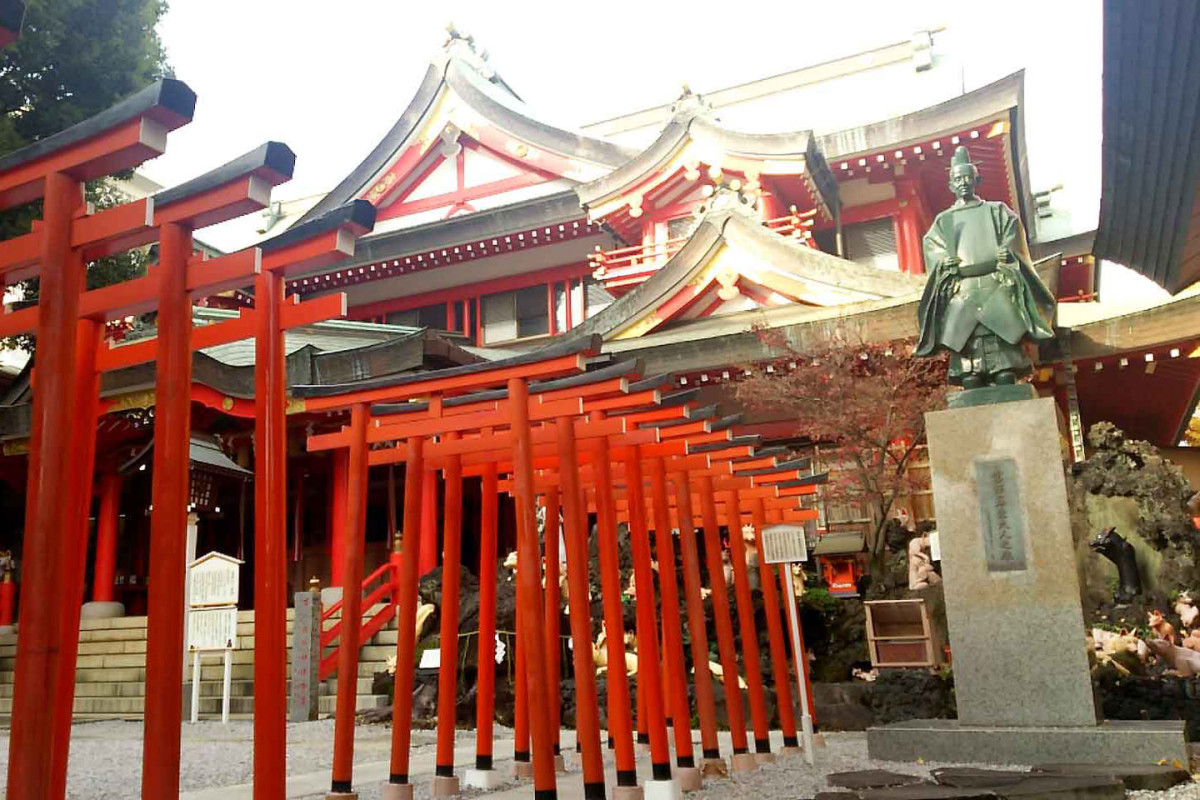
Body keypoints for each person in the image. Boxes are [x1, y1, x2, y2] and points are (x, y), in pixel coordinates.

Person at [915, 146, 1056, 389]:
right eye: (957, 179)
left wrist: (1007, 253)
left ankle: (1004, 372)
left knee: (1004, 368)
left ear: (977, 179)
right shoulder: (943, 221)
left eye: (967, 177)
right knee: (969, 368)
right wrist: (943, 265)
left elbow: (1013, 239)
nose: (963, 183)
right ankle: (971, 376)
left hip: (995, 286)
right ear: (950, 185)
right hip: (963, 291)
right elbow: (933, 251)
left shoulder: (997, 211)